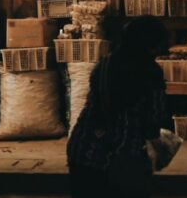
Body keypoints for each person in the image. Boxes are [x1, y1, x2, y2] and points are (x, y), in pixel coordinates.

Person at [67, 16, 169, 198]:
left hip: (83, 149)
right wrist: (163, 145)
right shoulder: (150, 73)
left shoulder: (104, 65)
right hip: (119, 159)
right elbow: (152, 124)